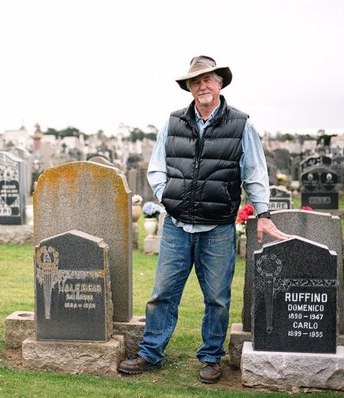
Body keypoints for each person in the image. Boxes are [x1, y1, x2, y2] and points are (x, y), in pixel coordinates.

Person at [118, 55, 289, 383]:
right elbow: (156, 168)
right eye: (195, 81)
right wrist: (169, 196)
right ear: (189, 88)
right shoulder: (173, 122)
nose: (202, 86)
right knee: (163, 293)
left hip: (218, 228)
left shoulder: (241, 124)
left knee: (217, 298)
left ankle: (211, 356)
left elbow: (254, 172)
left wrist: (264, 213)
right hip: (177, 226)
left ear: (219, 83)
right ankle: (150, 351)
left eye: (208, 79)